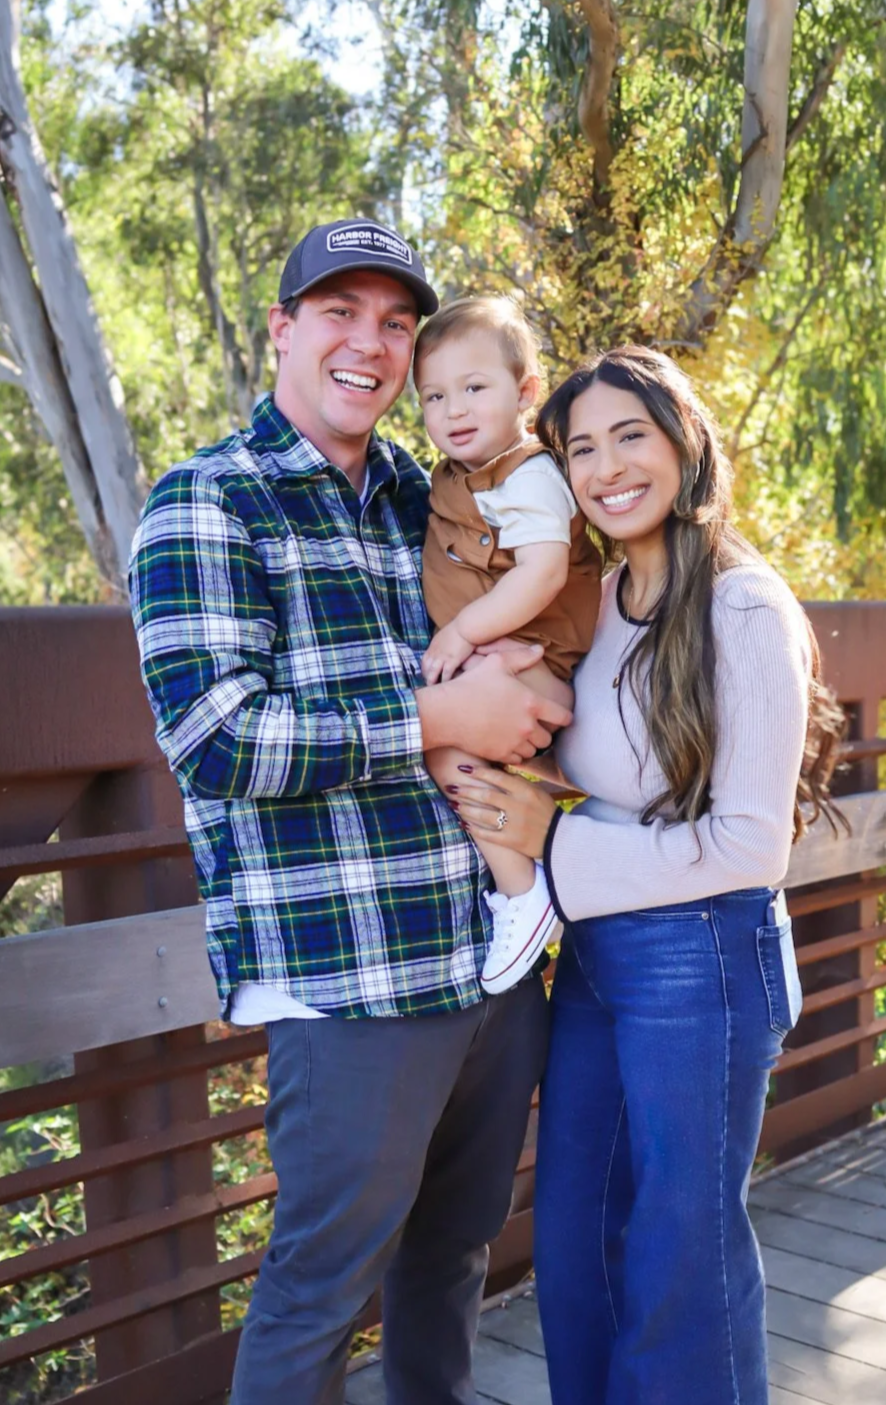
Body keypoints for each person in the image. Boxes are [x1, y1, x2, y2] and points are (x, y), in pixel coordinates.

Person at [128, 219, 567, 1405]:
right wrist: (439, 718)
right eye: (339, 312)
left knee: (453, 1259)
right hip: (349, 984)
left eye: (394, 322)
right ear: (282, 329)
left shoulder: (428, 492)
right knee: (319, 1289)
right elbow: (217, 737)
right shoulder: (208, 501)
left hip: (487, 961)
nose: (369, 343)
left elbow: (552, 594)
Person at [446, 346, 845, 1405]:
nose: (607, 467)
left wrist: (551, 840)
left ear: (684, 443)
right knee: (577, 1239)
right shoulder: (600, 599)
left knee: (680, 1257)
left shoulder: (742, 606)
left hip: (702, 952)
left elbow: (752, 846)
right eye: (581, 448)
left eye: (632, 435)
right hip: (598, 951)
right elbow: (588, 753)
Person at [413, 296, 602, 993]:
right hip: (505, 660)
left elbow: (544, 571)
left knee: (440, 744)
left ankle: (523, 889)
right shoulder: (455, 477)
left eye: (474, 388)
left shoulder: (526, 474)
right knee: (444, 744)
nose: (453, 410)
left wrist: (463, 631)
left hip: (534, 658)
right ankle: (529, 871)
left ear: (525, 392)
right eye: (434, 396)